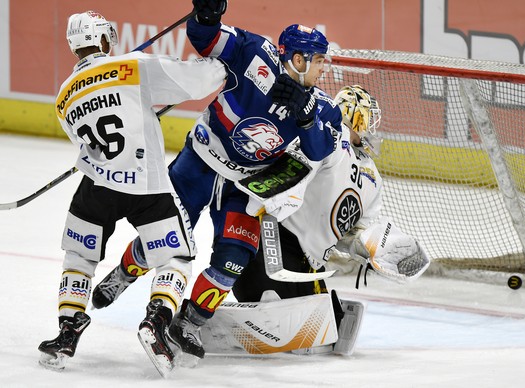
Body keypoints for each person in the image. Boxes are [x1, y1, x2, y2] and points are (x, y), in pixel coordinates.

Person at [92, 0, 341, 373]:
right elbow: (206, 39)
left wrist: (306, 118)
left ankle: (188, 322)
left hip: (245, 185)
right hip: (201, 162)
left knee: (234, 257)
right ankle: (125, 273)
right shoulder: (255, 52)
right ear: (298, 59)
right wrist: (208, 14)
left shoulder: (321, 105)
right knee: (167, 238)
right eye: (319, 60)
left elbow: (320, 149)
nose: (324, 68)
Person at [38, 10, 226, 371]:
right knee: (176, 258)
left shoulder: (63, 98)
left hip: (96, 186)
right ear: (105, 39)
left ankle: (67, 332)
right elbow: (201, 81)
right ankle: (156, 320)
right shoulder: (133, 66)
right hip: (145, 185)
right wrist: (226, 64)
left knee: (78, 258)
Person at [234, 85, 430, 306]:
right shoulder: (332, 139)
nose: (370, 127)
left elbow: (349, 232)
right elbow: (288, 171)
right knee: (273, 309)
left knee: (323, 325)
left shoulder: (373, 177)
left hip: (311, 263)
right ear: (354, 115)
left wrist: (369, 245)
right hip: (276, 243)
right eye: (368, 117)